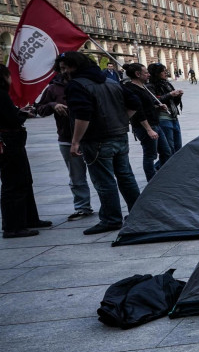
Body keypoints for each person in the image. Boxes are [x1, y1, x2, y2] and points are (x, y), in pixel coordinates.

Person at [61, 51, 140, 235]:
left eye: (65, 68)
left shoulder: (77, 85)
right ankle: (138, 212)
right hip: (119, 135)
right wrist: (121, 120)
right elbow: (134, 102)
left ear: (75, 67)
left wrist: (75, 142)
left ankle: (111, 219)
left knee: (104, 180)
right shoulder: (111, 82)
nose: (63, 72)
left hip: (96, 139)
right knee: (126, 176)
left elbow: (83, 114)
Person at [36, 58, 94, 221]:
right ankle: (82, 207)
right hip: (67, 137)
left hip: (93, 136)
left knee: (101, 176)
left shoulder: (88, 83)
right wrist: (53, 105)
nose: (64, 71)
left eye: (67, 67)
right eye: (61, 68)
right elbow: (40, 109)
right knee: (76, 176)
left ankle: (109, 207)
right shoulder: (54, 88)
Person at [0, 66, 51, 238]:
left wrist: (19, 112)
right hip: (9, 143)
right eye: (9, 76)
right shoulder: (1, 95)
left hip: (12, 143)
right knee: (14, 184)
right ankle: (13, 226)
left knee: (24, 180)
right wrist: (22, 116)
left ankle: (29, 218)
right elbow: (11, 120)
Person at [123, 63, 167, 180]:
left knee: (166, 152)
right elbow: (138, 111)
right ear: (138, 74)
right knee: (150, 155)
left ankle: (162, 176)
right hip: (145, 127)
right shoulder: (131, 89)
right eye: (146, 72)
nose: (148, 74)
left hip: (155, 123)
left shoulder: (144, 86)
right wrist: (149, 129)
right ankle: (151, 179)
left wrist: (158, 107)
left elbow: (147, 105)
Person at [148, 64, 183, 157]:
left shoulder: (167, 84)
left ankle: (169, 167)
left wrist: (178, 96)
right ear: (157, 73)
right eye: (163, 71)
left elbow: (174, 103)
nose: (165, 73)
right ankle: (161, 168)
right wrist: (170, 94)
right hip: (163, 118)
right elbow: (155, 100)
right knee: (169, 147)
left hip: (174, 117)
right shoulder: (150, 86)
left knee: (178, 146)